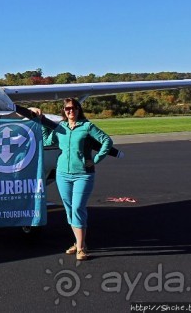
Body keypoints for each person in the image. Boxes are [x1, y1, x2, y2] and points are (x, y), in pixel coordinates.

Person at [42, 97, 113, 261]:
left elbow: (107, 141)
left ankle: (80, 248)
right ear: (64, 111)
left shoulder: (87, 127)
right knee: (69, 209)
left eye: (73, 108)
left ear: (78, 109)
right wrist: (42, 124)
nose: (70, 111)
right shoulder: (60, 128)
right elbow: (47, 140)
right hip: (62, 174)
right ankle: (78, 242)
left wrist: (96, 159)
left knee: (77, 208)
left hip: (83, 174)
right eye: (67, 109)